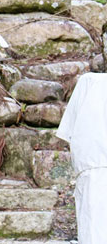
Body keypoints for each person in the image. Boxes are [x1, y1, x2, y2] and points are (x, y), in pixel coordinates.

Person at [56, 72, 107, 243]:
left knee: (93, 225)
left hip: (91, 164)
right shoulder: (91, 82)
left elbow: (68, 131)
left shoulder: (89, 82)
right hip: (92, 164)